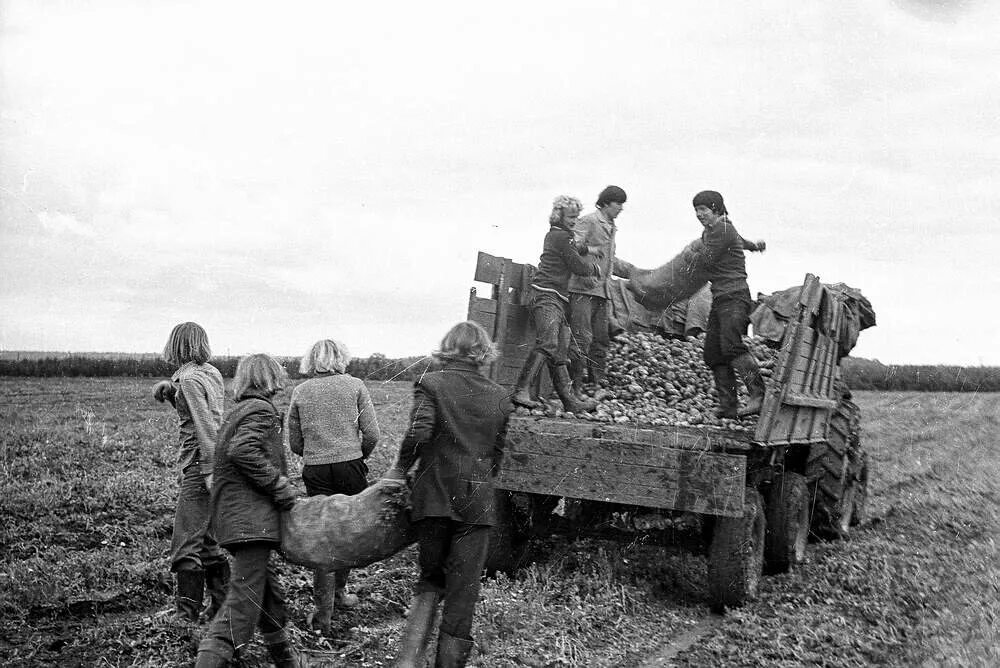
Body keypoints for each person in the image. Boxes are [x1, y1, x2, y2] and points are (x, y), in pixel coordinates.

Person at [388, 321, 512, 668]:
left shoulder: (431, 382)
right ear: (482, 351)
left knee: (430, 580)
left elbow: (419, 432)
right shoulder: (500, 396)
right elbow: (497, 455)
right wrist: (479, 483)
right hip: (476, 502)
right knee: (462, 595)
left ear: (447, 347)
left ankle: (406, 663)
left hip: (433, 498)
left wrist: (399, 470)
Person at [194, 354, 304, 668]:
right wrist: (280, 486)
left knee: (266, 590)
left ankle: (284, 657)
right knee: (242, 604)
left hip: (235, 518)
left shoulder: (239, 410)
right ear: (270, 378)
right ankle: (212, 658)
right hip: (250, 521)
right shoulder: (261, 409)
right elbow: (242, 450)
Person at [287, 338, 381, 635]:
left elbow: (295, 443)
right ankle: (340, 592)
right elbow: (372, 434)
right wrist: (356, 455)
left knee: (324, 538)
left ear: (311, 361)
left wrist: (316, 454)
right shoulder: (355, 385)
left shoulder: (300, 391)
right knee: (348, 534)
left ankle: (322, 611)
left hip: (316, 470)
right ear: (341, 358)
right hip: (350, 467)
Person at [151, 322, 229, 624]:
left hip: (199, 465)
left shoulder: (191, 380)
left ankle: (185, 618)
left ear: (175, 346)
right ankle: (222, 606)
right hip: (205, 463)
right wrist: (173, 393)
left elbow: (205, 425)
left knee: (185, 544)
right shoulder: (210, 373)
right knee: (207, 541)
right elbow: (200, 412)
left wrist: (209, 470)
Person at [512, 195, 602, 414]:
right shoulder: (562, 237)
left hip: (555, 298)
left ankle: (569, 401)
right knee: (548, 343)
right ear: (559, 215)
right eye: (571, 216)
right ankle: (521, 390)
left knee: (559, 351)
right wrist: (594, 269)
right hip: (546, 296)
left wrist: (588, 250)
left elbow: (573, 249)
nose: (574, 220)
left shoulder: (557, 236)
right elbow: (576, 265)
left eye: (576, 217)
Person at [691, 190, 767, 419]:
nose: (698, 214)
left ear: (716, 209)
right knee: (713, 353)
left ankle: (758, 395)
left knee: (731, 345)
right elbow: (740, 241)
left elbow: (706, 259)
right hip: (721, 297)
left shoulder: (722, 230)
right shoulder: (718, 230)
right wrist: (754, 245)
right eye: (696, 210)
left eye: (703, 209)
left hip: (734, 296)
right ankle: (729, 406)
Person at [568, 185, 638, 398]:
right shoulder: (589, 221)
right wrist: (585, 274)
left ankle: (596, 384)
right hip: (582, 290)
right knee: (581, 339)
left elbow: (609, 261)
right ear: (607, 202)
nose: (621, 209)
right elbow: (572, 248)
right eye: (619, 204)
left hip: (602, 292)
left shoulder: (611, 226)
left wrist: (634, 273)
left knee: (601, 340)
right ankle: (575, 388)